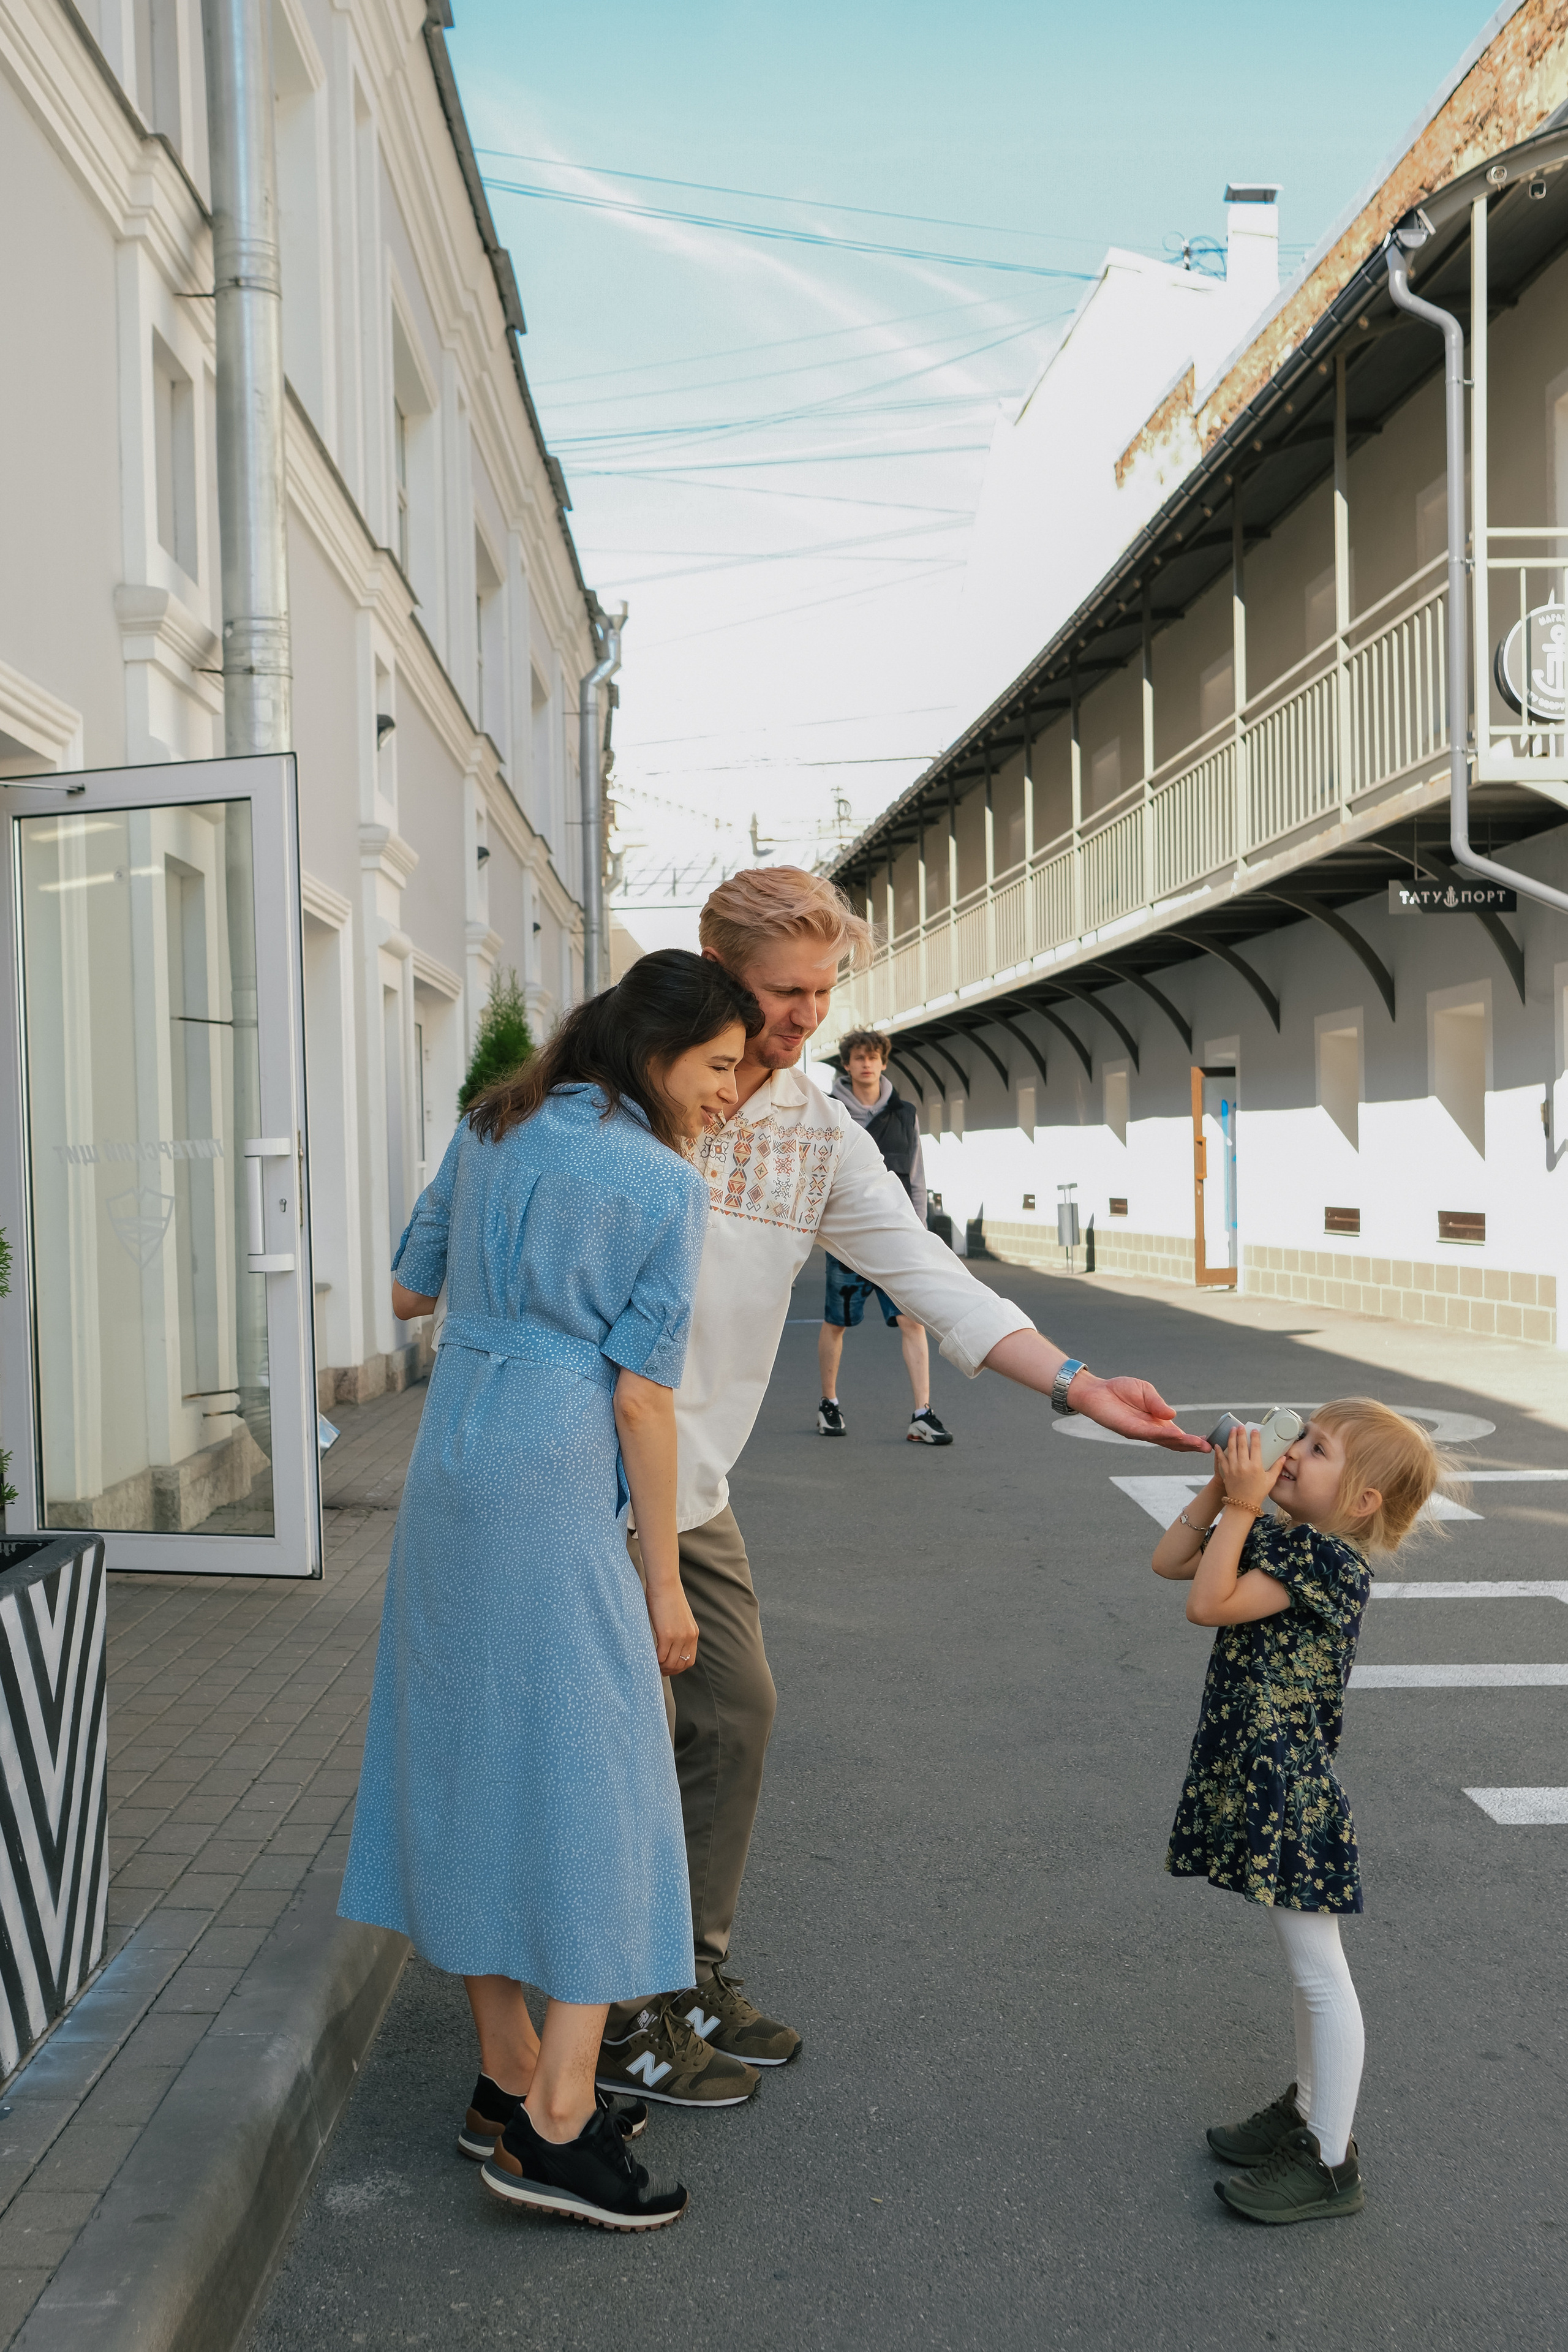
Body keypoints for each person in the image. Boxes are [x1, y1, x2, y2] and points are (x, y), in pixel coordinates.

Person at [592, 866, 1210, 2114]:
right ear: (713, 967)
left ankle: (687, 1977)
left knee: (737, 1712)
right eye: (784, 991)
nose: (807, 1017)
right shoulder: (616, 1103)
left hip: (690, 1482)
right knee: (618, 1749)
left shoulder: (815, 1130)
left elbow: (924, 1269)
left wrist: (1077, 1382)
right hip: (585, 1480)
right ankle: (610, 2017)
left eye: (824, 992)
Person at [338, 951, 763, 2233]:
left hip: (450, 1470)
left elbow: (407, 1289)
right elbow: (642, 1399)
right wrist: (662, 1586)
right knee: (608, 1780)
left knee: (467, 1756)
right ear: (655, 1050)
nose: (731, 1090)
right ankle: (559, 2120)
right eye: (720, 1065)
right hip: (555, 1479)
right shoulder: (661, 1181)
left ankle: (506, 2072)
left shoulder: (491, 1123)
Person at [1151, 1400, 1447, 2226]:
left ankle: (1328, 2161)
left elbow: (1208, 1604)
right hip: (1258, 1773)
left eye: (1316, 1450)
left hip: (1288, 1786)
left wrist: (1245, 1504)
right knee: (1304, 1967)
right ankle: (1309, 2109)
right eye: (1302, 1436)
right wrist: (1222, 1494)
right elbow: (1172, 1563)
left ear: (1360, 1501)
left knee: (1319, 1973)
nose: (1292, 1452)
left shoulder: (1330, 1563)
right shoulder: (1285, 1537)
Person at [816, 1027, 952, 1447]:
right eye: (859, 1057)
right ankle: (828, 1403)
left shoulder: (905, 1113)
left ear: (883, 1062)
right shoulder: (828, 1112)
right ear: (847, 1064)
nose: (867, 1064)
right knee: (837, 1324)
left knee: (913, 1320)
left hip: (897, 1237)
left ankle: (922, 1413)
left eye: (873, 1057)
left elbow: (917, 1176)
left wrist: (919, 1230)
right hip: (847, 1239)